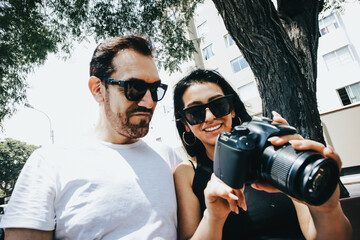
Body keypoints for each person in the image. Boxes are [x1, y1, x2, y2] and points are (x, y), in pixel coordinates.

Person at [0, 35, 182, 239]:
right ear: (98, 90)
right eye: (135, 88)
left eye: (155, 89)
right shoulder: (50, 163)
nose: (149, 101)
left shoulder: (169, 159)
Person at [173, 69, 352, 240]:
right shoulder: (187, 173)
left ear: (232, 109)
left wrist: (327, 208)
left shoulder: (276, 156)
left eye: (219, 105)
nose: (210, 116)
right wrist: (212, 218)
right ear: (186, 124)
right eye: (195, 113)